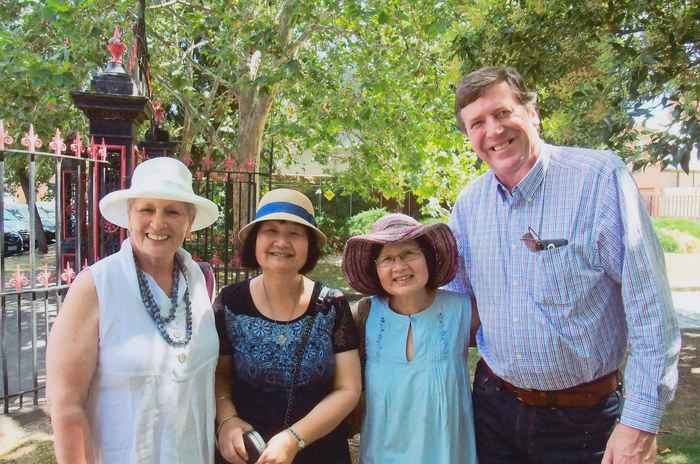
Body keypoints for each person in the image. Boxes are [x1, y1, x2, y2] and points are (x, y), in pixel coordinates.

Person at [448, 65, 680, 463]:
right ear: (469, 136)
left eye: (503, 113)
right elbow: (454, 306)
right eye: (477, 123)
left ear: (532, 113)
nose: (493, 131)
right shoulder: (469, 206)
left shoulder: (599, 179)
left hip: (584, 421)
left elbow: (650, 311)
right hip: (492, 411)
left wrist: (640, 424)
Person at [46, 157, 221, 463]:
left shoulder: (197, 279)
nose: (158, 222)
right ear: (129, 216)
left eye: (172, 211)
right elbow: (66, 405)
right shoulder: (96, 287)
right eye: (146, 209)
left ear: (189, 223)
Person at [214, 188, 361, 464]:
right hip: (247, 453)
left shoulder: (332, 305)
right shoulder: (230, 302)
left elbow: (348, 388)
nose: (281, 242)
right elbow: (219, 375)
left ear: (310, 245)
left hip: (319, 451)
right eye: (270, 231)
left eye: (295, 233)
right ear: (255, 240)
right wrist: (227, 420)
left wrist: (294, 438)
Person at [341, 213, 478, 463]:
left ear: (428, 258)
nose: (399, 267)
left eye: (409, 254)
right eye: (387, 259)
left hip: (448, 455)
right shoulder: (363, 316)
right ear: (376, 269)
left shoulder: (463, 310)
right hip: (381, 455)